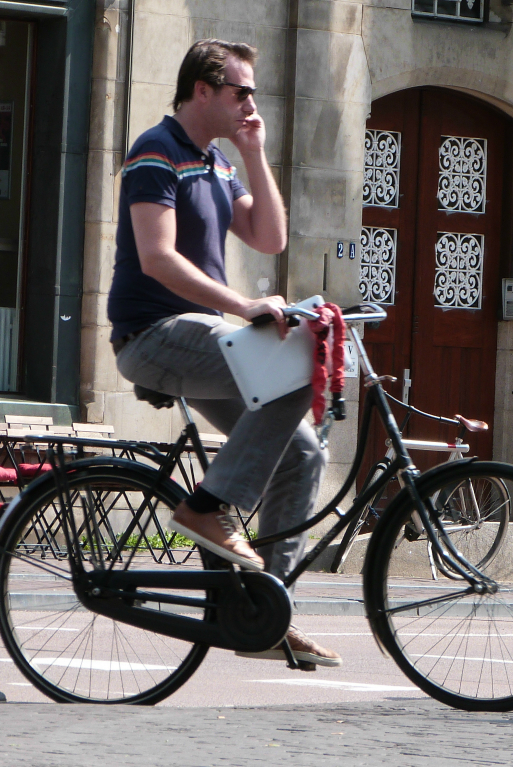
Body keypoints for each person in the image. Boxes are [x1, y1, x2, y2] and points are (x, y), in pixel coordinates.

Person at [107, 39, 341, 667]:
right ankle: (206, 507)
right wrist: (243, 307)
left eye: (254, 93)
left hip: (202, 339)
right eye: (241, 91)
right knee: (293, 371)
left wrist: (255, 152)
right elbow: (157, 257)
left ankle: (264, 611)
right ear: (203, 91)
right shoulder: (156, 152)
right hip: (154, 336)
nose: (251, 103)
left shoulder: (216, 162)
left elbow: (269, 237)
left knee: (302, 453)